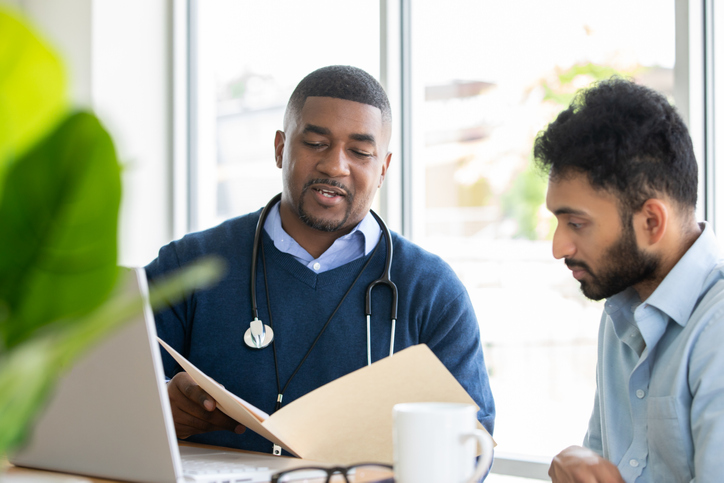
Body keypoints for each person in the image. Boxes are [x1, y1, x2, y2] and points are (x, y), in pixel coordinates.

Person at [145, 65, 495, 454]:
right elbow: (97, 392)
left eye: (360, 152)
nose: (335, 166)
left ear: (383, 168)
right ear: (280, 148)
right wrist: (159, 406)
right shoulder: (187, 265)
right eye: (315, 143)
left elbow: (472, 445)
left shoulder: (430, 290)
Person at [534, 77, 724, 482]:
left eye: (576, 223)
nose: (558, 246)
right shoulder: (621, 307)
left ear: (651, 221)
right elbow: (607, 459)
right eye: (557, 221)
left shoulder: (717, 328)